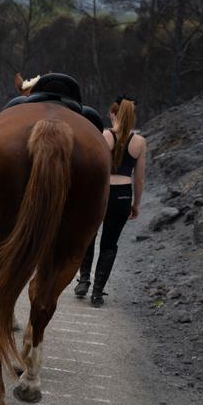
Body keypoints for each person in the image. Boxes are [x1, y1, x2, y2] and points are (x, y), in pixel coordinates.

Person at [75, 96, 147, 307]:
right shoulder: (140, 142)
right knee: (109, 245)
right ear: (133, 116)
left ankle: (84, 280)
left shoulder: (105, 135)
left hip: (102, 193)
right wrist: (136, 204)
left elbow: (93, 167)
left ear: (115, 114)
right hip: (123, 195)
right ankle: (97, 293)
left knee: (89, 236)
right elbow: (140, 178)